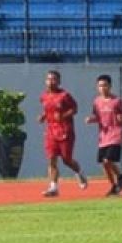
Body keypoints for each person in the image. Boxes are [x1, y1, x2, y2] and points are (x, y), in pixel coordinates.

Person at [39, 69, 88, 197]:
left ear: (59, 81)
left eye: (53, 79)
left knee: (66, 160)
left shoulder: (64, 95)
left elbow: (75, 109)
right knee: (51, 160)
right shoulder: (44, 96)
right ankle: (53, 187)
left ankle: (79, 172)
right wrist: (43, 116)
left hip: (65, 131)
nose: (51, 82)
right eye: (48, 79)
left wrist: (64, 115)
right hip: (50, 131)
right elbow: (47, 110)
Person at [85, 73, 122, 197]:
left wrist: (121, 118)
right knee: (104, 163)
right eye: (100, 86)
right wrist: (90, 119)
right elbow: (97, 117)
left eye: (105, 85)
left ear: (110, 86)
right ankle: (114, 185)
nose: (102, 88)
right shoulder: (97, 102)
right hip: (103, 136)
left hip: (115, 135)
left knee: (107, 160)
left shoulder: (117, 101)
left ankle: (120, 176)